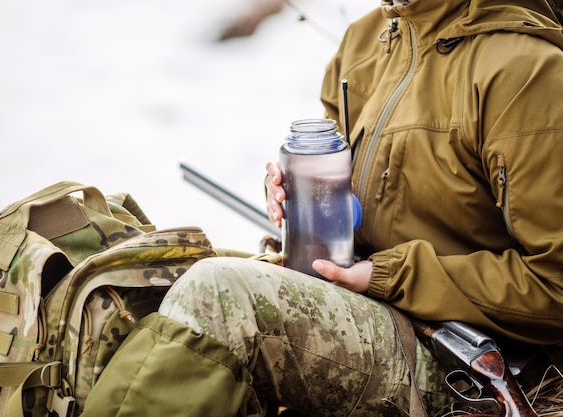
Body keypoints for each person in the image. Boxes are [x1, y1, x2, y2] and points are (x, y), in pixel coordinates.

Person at [81, 1, 563, 416]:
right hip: (367, 299)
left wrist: (387, 274)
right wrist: (302, 200)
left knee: (220, 293)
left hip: (463, 354)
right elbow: (361, 202)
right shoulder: (367, 39)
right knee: (137, 275)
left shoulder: (526, 72)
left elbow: (555, 284)